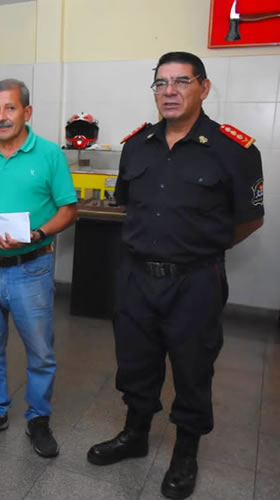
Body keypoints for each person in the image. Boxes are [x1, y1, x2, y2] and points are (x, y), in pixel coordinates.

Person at [86, 51, 264, 500]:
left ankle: (186, 452)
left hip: (196, 281)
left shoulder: (234, 150)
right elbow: (127, 204)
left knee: (192, 368)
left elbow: (248, 220)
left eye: (181, 81)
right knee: (136, 363)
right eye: (161, 82)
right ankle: (135, 434)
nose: (170, 90)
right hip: (136, 279)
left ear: (203, 87)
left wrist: (199, 251)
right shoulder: (137, 145)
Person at [0, 79, 77, 457]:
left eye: (10, 108)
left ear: (27, 112)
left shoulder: (48, 155)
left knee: (40, 351)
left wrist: (38, 233)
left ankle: (38, 419)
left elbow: (68, 210)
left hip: (31, 268)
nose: (1, 116)